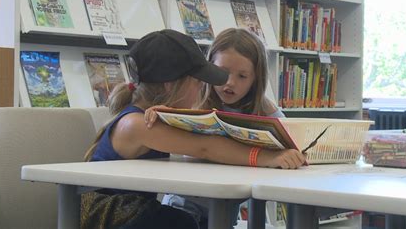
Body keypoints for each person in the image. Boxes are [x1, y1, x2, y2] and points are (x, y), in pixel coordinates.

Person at [81, 29, 306, 229]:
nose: (203, 88)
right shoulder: (138, 124)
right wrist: (267, 157)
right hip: (106, 217)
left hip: (133, 212)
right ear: (171, 85)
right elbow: (205, 147)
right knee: (181, 222)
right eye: (198, 82)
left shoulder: (152, 116)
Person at [144, 28, 290, 228]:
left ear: (256, 79)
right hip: (183, 206)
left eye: (242, 76)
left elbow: (292, 141)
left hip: (224, 210)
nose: (230, 83)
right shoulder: (193, 100)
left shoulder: (264, 110)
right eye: (223, 72)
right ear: (209, 68)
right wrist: (160, 114)